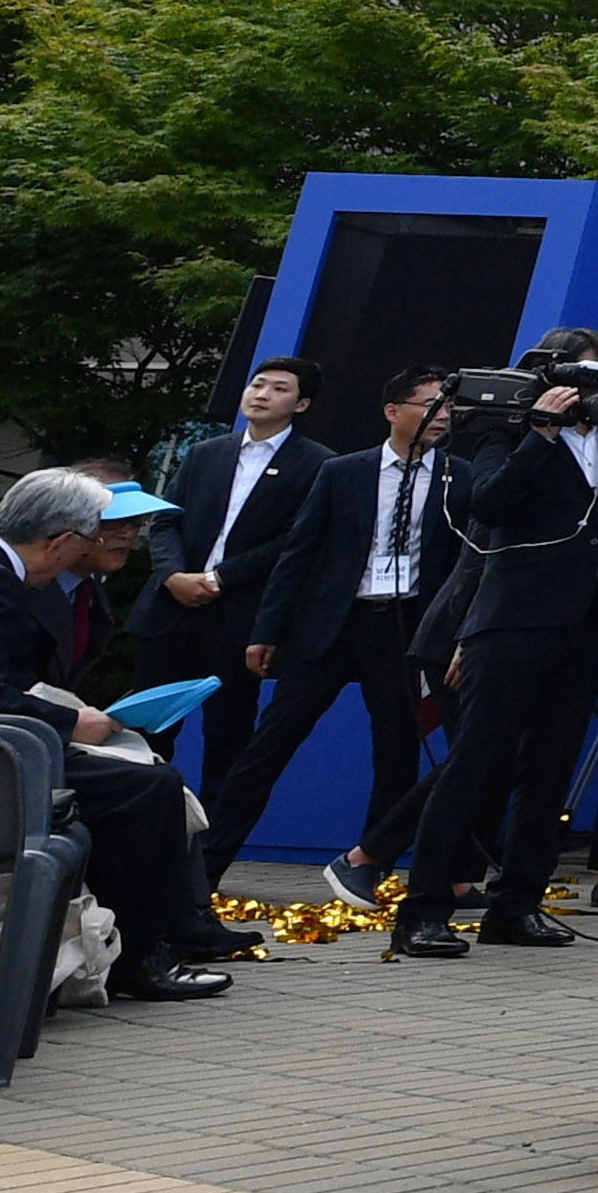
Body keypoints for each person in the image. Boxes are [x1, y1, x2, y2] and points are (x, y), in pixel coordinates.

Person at [0, 469, 236, 1002]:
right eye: (87, 540)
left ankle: (134, 941)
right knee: (145, 787)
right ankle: (138, 955)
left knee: (132, 777)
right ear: (60, 541)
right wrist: (69, 722)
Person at [391, 328, 598, 958]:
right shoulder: (505, 430)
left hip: (587, 623)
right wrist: (540, 434)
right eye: (579, 381)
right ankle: (423, 909)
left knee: (550, 770)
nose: (588, 394)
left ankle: (517, 905)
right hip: (512, 620)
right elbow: (489, 504)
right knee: (477, 761)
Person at [219, 367, 454, 887]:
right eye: (430, 406)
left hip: (404, 628)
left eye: (448, 408)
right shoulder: (346, 471)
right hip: (334, 622)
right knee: (271, 743)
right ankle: (205, 863)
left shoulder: (458, 476)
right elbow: (298, 554)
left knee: (397, 753)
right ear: (394, 412)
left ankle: (372, 871)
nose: (442, 417)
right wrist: (268, 628)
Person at [142, 358, 323, 811]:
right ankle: (138, 829)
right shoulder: (208, 452)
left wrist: (221, 577)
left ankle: (210, 853)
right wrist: (172, 575)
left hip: (240, 617)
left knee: (228, 735)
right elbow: (165, 521)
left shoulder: (319, 464)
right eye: (256, 383)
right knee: (148, 729)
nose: (261, 394)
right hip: (173, 609)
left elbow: (296, 540)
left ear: (301, 404)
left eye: (278, 388)